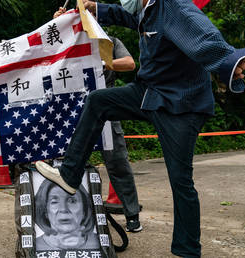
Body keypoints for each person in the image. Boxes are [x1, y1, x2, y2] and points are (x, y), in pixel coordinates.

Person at [36, 0, 245, 257]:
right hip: (150, 92)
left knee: (181, 180)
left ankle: (187, 250)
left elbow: (202, 32)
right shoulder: (146, 9)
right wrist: (94, 9)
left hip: (182, 104)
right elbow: (124, 15)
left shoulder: (172, 5)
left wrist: (229, 60)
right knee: (98, 101)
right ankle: (70, 175)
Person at [54, 3, 142, 233]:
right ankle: (60, 214)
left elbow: (130, 63)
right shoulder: (67, 43)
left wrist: (102, 62)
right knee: (63, 161)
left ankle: (132, 214)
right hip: (71, 109)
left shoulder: (108, 41)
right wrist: (55, 25)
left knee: (117, 161)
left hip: (106, 108)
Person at [35, 179, 99, 251]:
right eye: (54, 202)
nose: (63, 209)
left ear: (85, 209)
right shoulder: (34, 247)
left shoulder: (99, 243)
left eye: (72, 201)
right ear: (45, 211)